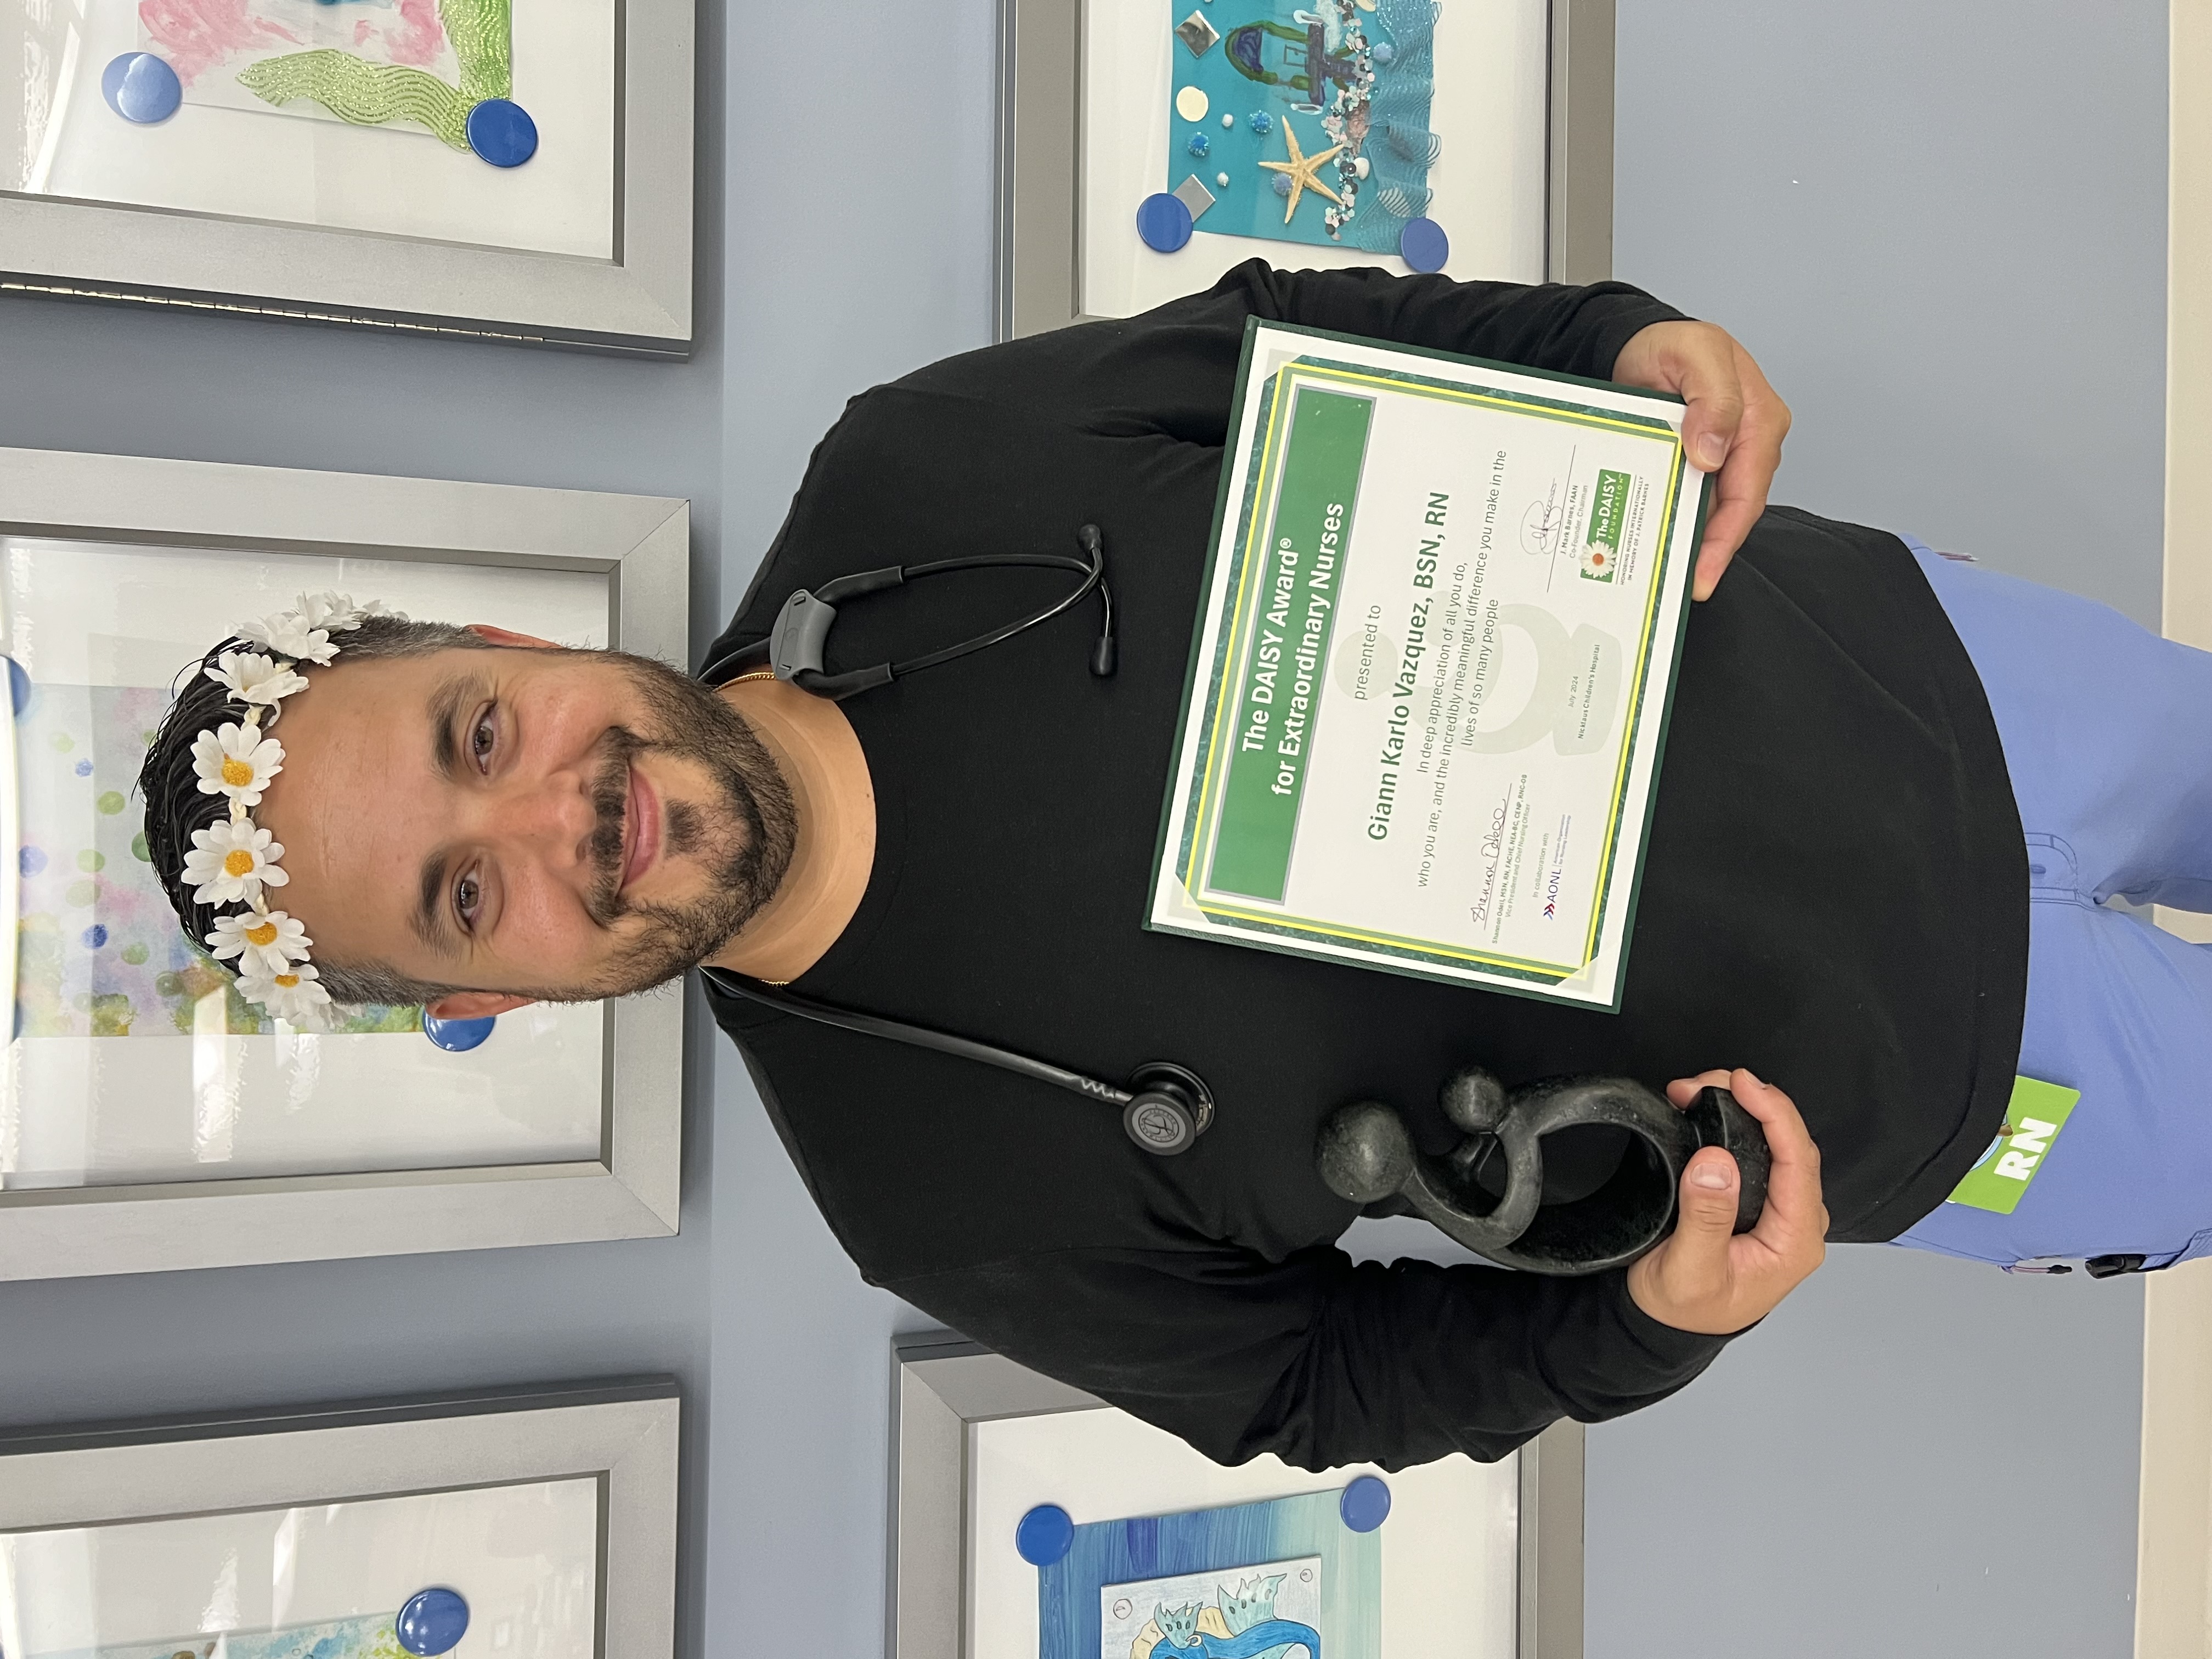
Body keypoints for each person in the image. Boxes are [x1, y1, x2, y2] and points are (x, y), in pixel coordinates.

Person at [140, 262, 2111, 1475]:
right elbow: (1319, 1388)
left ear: (504, 651)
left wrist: (1611, 340)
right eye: (465, 898)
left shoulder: (919, 466)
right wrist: (1643, 1325)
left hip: (1931, 667)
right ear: (489, 997)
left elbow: (1302, 330)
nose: (559, 814)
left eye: (481, 735)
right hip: (1952, 1087)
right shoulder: (930, 1191)